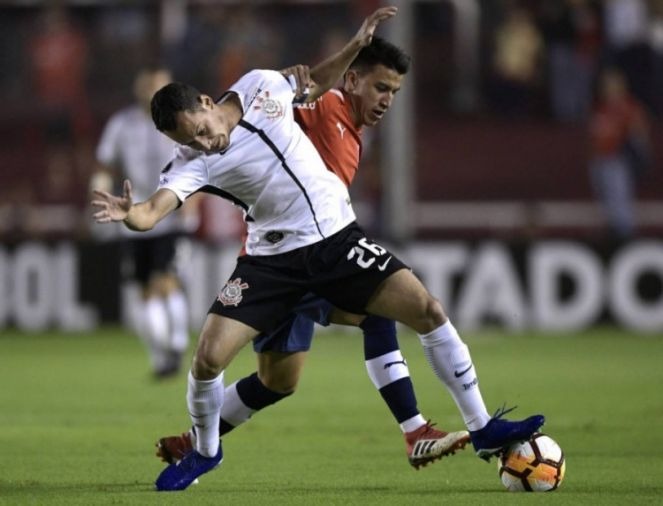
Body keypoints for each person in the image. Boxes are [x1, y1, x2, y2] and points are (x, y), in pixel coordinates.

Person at [92, 6, 544, 492]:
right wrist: (131, 213)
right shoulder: (191, 163)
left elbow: (316, 82)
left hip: (337, 240)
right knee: (209, 361)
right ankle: (205, 452)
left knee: (427, 309)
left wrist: (355, 43)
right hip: (270, 263)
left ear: (206, 100)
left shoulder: (261, 85)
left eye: (201, 129)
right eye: (190, 142)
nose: (205, 143)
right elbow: (154, 210)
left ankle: (479, 427)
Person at [155, 36, 470, 472]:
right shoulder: (327, 107)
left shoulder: (354, 135)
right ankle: (415, 430)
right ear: (353, 80)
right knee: (374, 316)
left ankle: (197, 439)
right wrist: (300, 80)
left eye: (394, 93)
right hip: (284, 259)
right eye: (381, 88)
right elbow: (285, 100)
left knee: (280, 380)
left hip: (310, 255)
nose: (387, 101)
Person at [92, 67, 192, 378]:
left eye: (157, 84)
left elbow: (201, 160)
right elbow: (104, 163)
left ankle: (175, 344)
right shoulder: (121, 124)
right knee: (144, 290)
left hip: (170, 209)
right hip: (134, 214)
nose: (150, 90)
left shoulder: (182, 119)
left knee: (164, 280)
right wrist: (96, 191)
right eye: (146, 84)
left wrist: (194, 201)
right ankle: (164, 354)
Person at [589, 67, 651, 241]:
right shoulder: (600, 108)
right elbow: (595, 135)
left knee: (619, 199)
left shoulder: (628, 107)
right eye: (605, 84)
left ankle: (625, 235)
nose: (608, 88)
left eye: (612, 84)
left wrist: (641, 155)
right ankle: (613, 232)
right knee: (605, 201)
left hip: (617, 160)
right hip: (600, 159)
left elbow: (639, 133)